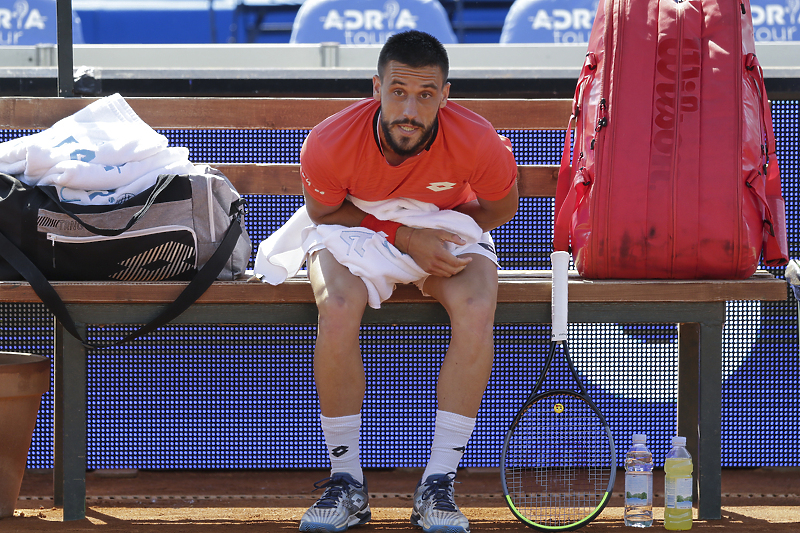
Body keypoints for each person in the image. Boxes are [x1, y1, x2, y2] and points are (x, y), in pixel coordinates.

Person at [297, 30, 519, 533]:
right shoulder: (330, 141)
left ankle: (438, 484)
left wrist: (437, 236)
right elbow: (324, 212)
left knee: (477, 303)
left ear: (445, 94)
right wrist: (401, 234)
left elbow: (501, 208)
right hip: (356, 227)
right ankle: (346, 481)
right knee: (336, 304)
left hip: (443, 221)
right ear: (376, 88)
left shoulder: (478, 140)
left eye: (425, 95)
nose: (410, 109)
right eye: (398, 91)